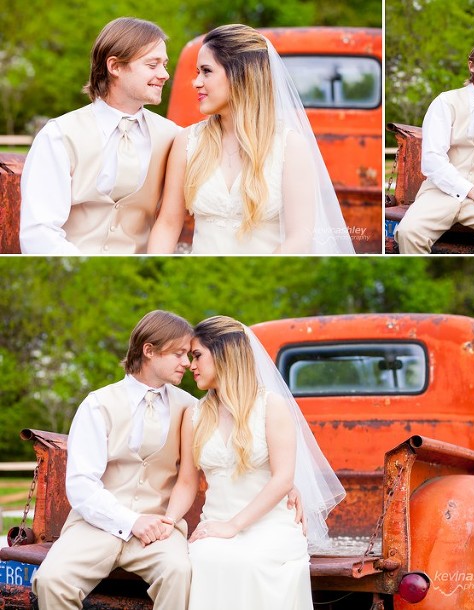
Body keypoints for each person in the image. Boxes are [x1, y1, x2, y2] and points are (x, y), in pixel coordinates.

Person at [162, 316, 345, 609]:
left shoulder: (271, 406)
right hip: (216, 524)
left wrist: (234, 526)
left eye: (197, 356)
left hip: (270, 526)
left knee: (249, 563)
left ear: (224, 354)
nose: (190, 365)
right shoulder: (194, 415)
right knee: (203, 559)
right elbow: (186, 481)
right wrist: (168, 522)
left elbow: (283, 479)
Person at [32, 310, 196, 609]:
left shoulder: (190, 407)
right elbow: (81, 484)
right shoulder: (98, 404)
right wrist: (131, 521)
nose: (187, 362)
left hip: (160, 529)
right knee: (52, 581)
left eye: (188, 354)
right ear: (149, 350)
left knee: (179, 572)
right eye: (179, 353)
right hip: (97, 525)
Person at [148, 24, 354, 254]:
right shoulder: (186, 142)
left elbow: (299, 238)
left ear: (241, 74)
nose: (196, 82)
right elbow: (167, 224)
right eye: (198, 72)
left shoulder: (289, 147)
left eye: (206, 71)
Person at [19, 18, 180, 254]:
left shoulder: (172, 135)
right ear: (114, 66)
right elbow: (39, 231)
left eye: (164, 64)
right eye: (152, 64)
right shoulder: (59, 135)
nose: (165, 74)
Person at [393, 38, 474, 254]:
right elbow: (432, 159)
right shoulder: (445, 102)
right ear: (471, 65)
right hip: (441, 191)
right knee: (408, 232)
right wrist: (469, 189)